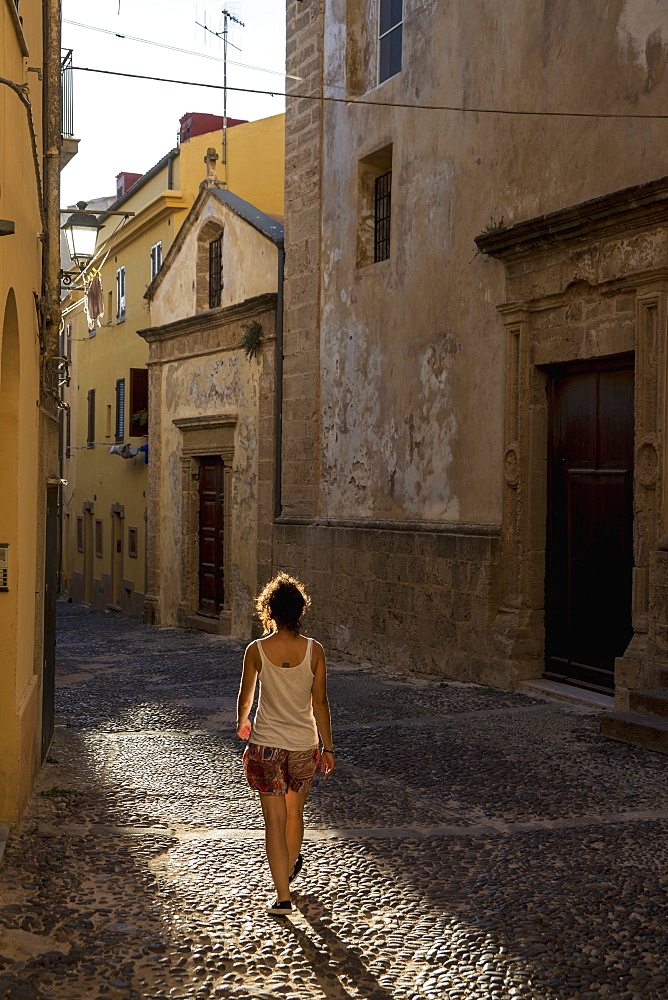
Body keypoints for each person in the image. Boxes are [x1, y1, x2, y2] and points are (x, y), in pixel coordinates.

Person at [236, 572, 335, 916]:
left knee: (273, 822)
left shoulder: (257, 650)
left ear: (270, 611)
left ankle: (282, 897)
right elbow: (320, 702)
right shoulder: (314, 651)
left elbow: (246, 697)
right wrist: (329, 747)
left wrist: (242, 722)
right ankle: (289, 872)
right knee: (295, 815)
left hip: (265, 746)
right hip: (304, 746)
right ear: (299, 612)